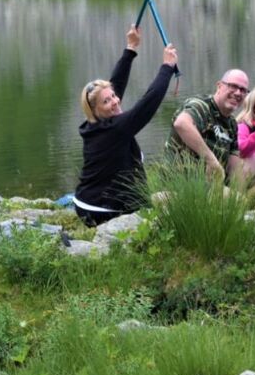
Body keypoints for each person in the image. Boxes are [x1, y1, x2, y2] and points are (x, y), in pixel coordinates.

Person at [74, 25, 178, 226]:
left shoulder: (96, 123)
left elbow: (115, 85)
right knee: (172, 206)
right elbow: (148, 104)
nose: (115, 101)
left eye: (113, 96)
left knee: (168, 197)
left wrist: (130, 48)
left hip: (89, 203)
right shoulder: (114, 130)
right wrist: (167, 68)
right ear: (95, 110)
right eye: (107, 101)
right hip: (102, 211)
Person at [166, 68, 248, 185]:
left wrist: (241, 199)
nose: (238, 93)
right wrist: (211, 160)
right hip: (181, 183)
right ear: (219, 86)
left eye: (243, 90)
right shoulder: (201, 105)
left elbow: (234, 165)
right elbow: (181, 124)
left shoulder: (232, 124)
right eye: (233, 86)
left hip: (212, 184)